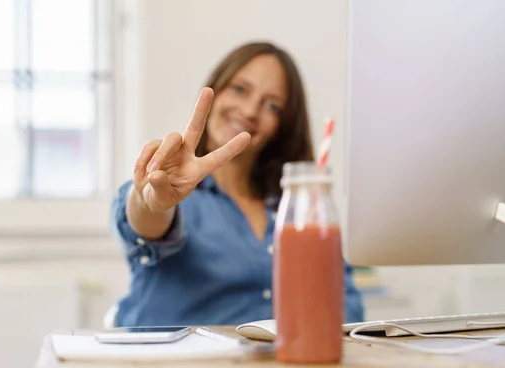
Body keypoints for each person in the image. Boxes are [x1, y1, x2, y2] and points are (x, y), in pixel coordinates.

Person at [110, 41, 365, 327]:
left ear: (282, 126)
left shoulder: (295, 208)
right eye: (240, 89)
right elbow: (147, 221)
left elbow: (346, 308)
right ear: (216, 90)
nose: (250, 110)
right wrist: (149, 201)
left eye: (272, 105)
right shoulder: (174, 192)